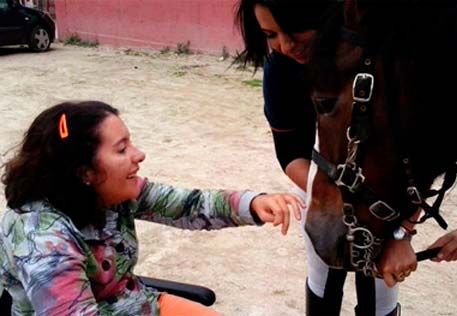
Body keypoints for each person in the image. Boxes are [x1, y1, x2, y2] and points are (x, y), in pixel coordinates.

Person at [0, 100, 304, 316]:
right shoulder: (41, 237)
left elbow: (189, 206)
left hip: (138, 304)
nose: (139, 155)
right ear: (84, 173)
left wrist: (253, 203)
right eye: (122, 149)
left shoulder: (118, 192)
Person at [235, 1, 401, 315]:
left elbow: (417, 160)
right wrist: (336, 196)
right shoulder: (282, 70)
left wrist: (401, 229)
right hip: (322, 184)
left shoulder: (387, 60)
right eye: (271, 34)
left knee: (380, 286)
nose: (285, 46)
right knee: (325, 272)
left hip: (386, 198)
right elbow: (290, 154)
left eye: (294, 31)